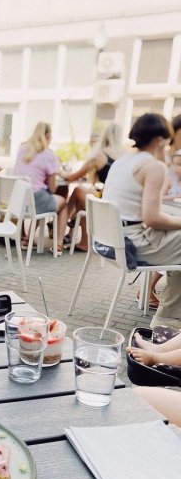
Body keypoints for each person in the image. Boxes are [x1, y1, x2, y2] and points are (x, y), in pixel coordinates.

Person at [103, 113, 181, 330]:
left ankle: (166, 313)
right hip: (131, 245)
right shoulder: (153, 166)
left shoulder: (122, 161)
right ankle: (168, 323)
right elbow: (152, 219)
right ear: (159, 139)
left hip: (108, 241)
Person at [61, 123, 126, 252]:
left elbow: (72, 177)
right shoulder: (125, 156)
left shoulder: (99, 156)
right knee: (81, 200)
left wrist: (59, 172)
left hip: (106, 201)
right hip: (119, 201)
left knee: (78, 190)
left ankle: (65, 223)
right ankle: (75, 230)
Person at [13, 122, 68, 254]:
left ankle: (29, 238)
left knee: (43, 198)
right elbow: (53, 188)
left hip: (18, 200)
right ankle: (58, 244)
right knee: (62, 203)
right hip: (35, 199)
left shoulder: (22, 149)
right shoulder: (48, 154)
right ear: (48, 135)